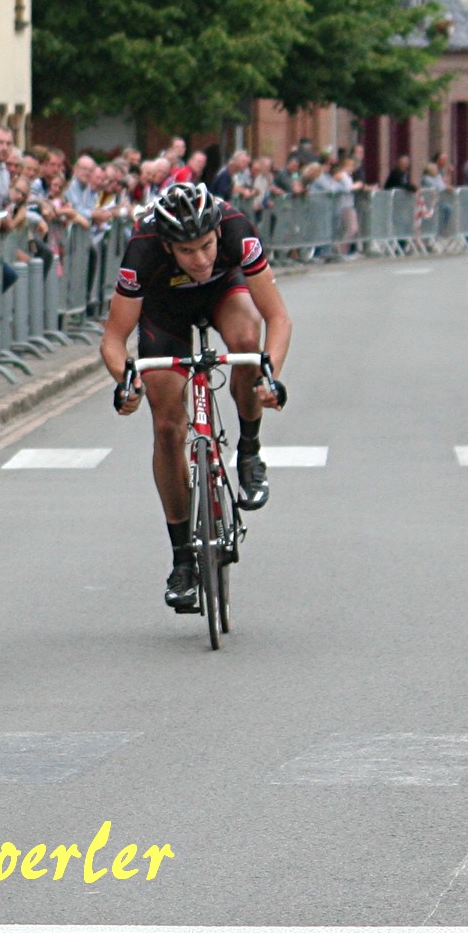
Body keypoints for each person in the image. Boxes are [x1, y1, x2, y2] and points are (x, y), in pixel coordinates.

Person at [103, 185, 292, 613]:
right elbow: (114, 339)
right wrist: (125, 381)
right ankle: (183, 559)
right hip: (164, 308)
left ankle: (249, 450)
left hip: (225, 293)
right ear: (168, 246)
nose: (201, 259)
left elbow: (278, 317)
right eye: (187, 251)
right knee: (168, 425)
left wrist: (271, 376)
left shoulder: (237, 229)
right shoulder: (143, 249)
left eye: (207, 245)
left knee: (246, 340)